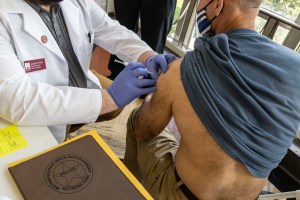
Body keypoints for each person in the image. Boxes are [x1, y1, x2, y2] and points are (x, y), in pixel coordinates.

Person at [123, 0, 300, 199]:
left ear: (217, 5)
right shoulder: (297, 68)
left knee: (136, 119)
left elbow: (144, 131)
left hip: (182, 194)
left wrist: (152, 96)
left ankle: (126, 186)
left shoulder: (180, 71)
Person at [0, 0, 176, 143]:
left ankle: (70, 127)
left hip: (79, 87)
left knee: (111, 106)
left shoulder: (76, 2)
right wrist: (108, 99)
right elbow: (16, 99)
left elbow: (110, 29)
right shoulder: (4, 16)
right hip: (33, 112)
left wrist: (147, 55)